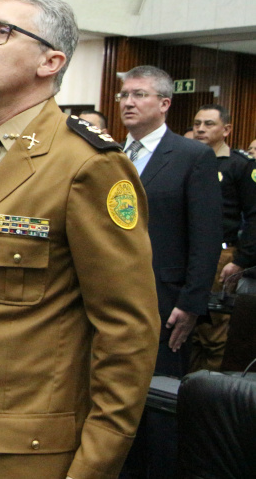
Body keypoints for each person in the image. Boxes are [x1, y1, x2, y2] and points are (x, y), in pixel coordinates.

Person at [0, 0, 159, 479]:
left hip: (27, 455)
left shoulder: (88, 164)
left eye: (2, 32)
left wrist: (94, 466)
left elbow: (127, 331)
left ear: (50, 62)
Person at [118, 65, 222, 478]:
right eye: (124, 95)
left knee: (155, 401)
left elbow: (206, 235)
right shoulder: (108, 154)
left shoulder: (191, 156)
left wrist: (192, 301)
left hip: (164, 299)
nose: (128, 102)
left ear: (164, 104)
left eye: (139, 95)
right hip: (107, 294)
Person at [188, 104, 256, 372]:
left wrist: (241, 260)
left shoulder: (240, 166)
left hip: (222, 254)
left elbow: (253, 216)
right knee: (188, 328)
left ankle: (209, 391)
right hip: (190, 252)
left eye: (208, 124)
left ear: (226, 129)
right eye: (197, 124)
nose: (201, 129)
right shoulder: (189, 159)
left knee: (214, 330)